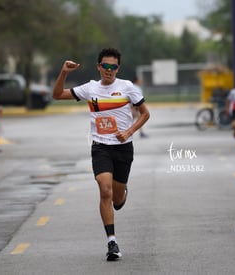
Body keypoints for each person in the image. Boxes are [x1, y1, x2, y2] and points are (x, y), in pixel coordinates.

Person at [53, 48, 150, 261]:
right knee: (104, 190)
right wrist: (64, 73)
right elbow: (57, 95)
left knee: (116, 198)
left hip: (123, 148)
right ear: (98, 67)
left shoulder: (127, 87)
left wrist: (129, 131)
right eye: (105, 66)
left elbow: (145, 114)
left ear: (118, 68)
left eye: (113, 67)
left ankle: (122, 194)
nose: (109, 70)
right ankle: (112, 242)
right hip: (100, 147)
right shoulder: (90, 88)